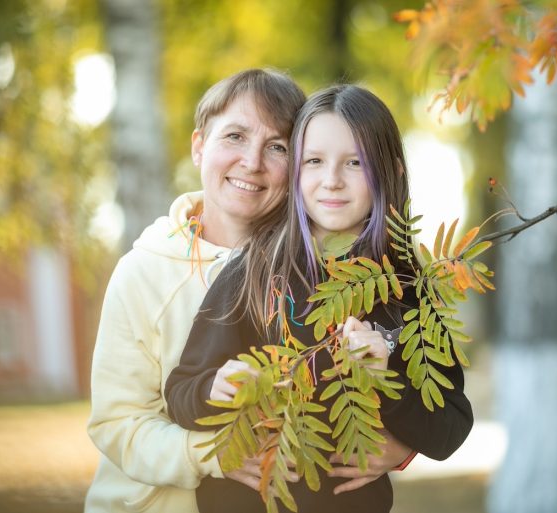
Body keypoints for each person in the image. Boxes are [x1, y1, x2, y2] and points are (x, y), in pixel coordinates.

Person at [85, 70, 414, 513]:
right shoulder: (141, 272)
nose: (252, 161)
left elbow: (402, 372)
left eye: (277, 146)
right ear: (199, 146)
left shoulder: (336, 264)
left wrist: (402, 446)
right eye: (235, 136)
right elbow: (116, 423)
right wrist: (212, 454)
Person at [165, 85, 474, 513]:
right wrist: (212, 390)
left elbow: (451, 428)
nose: (332, 179)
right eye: (314, 161)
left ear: (391, 173)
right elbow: (180, 391)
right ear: (295, 171)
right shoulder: (254, 270)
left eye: (355, 163)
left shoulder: (408, 290)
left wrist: (390, 390)